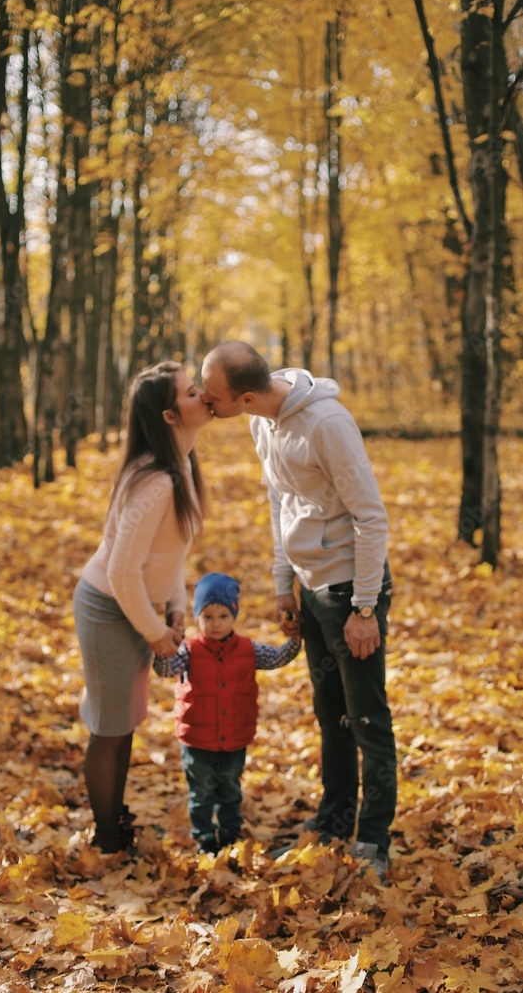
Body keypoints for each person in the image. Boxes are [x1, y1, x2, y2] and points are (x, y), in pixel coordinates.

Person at [200, 341, 395, 881]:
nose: (204, 402)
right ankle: (334, 821)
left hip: (350, 592)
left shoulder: (327, 424)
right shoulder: (260, 422)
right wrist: (285, 584)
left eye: (212, 397)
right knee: (331, 718)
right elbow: (279, 500)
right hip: (311, 591)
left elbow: (371, 517)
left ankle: (374, 842)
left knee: (368, 720)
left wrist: (363, 607)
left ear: (243, 396)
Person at [72, 362, 212, 853]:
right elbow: (121, 571)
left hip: (136, 605)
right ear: (171, 415)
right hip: (109, 607)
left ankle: (113, 814)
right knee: (110, 725)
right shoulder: (155, 482)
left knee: (125, 718)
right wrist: (155, 631)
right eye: (194, 392)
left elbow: (167, 554)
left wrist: (175, 607)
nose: (206, 396)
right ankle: (106, 836)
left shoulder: (183, 465)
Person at [154, 572, 301, 854]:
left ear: (234, 616)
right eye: (207, 617)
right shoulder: (189, 650)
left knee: (230, 789)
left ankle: (231, 836)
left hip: (234, 737)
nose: (215, 623)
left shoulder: (248, 649)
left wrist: (295, 639)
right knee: (201, 794)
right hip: (198, 740)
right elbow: (166, 669)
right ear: (197, 619)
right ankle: (205, 839)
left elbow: (278, 658)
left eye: (222, 616)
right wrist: (162, 645)